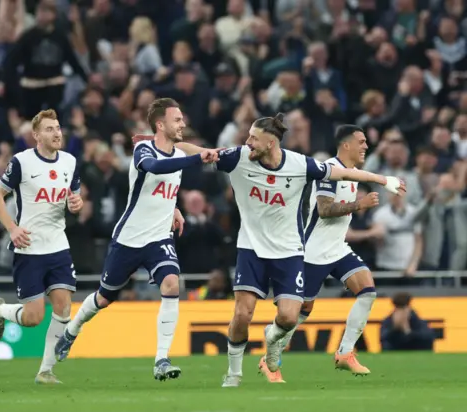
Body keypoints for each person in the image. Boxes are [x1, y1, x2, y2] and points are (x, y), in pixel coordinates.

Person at [166, 113, 404, 387]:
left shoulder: (299, 164)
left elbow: (346, 173)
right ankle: (234, 374)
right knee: (243, 314)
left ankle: (288, 343)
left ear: (271, 143)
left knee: (291, 317)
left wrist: (383, 180)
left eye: (254, 138)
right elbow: (201, 152)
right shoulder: (239, 156)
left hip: (289, 251)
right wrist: (157, 143)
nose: (248, 142)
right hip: (253, 248)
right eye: (249, 137)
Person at [54, 98, 216, 381]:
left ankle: (162, 359)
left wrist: (174, 207)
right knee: (104, 298)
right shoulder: (144, 149)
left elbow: (175, 173)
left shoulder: (177, 152)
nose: (183, 124)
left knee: (171, 283)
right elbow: (154, 168)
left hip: (159, 238)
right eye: (177, 120)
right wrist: (195, 159)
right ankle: (72, 330)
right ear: (160, 124)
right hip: (129, 238)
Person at [257, 125, 382, 383]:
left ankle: (345, 353)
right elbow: (324, 210)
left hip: (337, 248)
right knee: (297, 315)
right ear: (346, 145)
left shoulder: (354, 174)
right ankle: (270, 356)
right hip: (312, 252)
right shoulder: (327, 171)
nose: (365, 146)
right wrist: (360, 204)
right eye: (361, 141)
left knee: (368, 290)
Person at [0, 109, 82, 385]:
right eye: (50, 129)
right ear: (36, 135)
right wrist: (12, 228)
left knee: (64, 306)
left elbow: (73, 199)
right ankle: (1, 311)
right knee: (33, 318)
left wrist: (76, 204)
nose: (57, 133)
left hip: (58, 246)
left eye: (58, 128)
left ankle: (45, 371)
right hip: (29, 249)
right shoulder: (21, 162)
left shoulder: (69, 161)